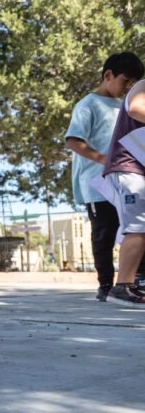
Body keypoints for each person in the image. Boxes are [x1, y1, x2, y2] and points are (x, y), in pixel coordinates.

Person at [65, 52, 144, 301]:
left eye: (133, 82)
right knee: (104, 233)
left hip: (127, 178)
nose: (129, 87)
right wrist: (103, 158)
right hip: (96, 183)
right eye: (125, 80)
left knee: (133, 228)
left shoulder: (124, 104)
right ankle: (106, 285)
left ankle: (133, 280)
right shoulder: (87, 105)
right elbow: (73, 141)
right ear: (108, 75)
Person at [103, 80, 145, 306]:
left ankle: (131, 284)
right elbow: (136, 108)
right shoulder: (143, 86)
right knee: (138, 227)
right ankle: (122, 287)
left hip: (138, 169)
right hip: (129, 169)